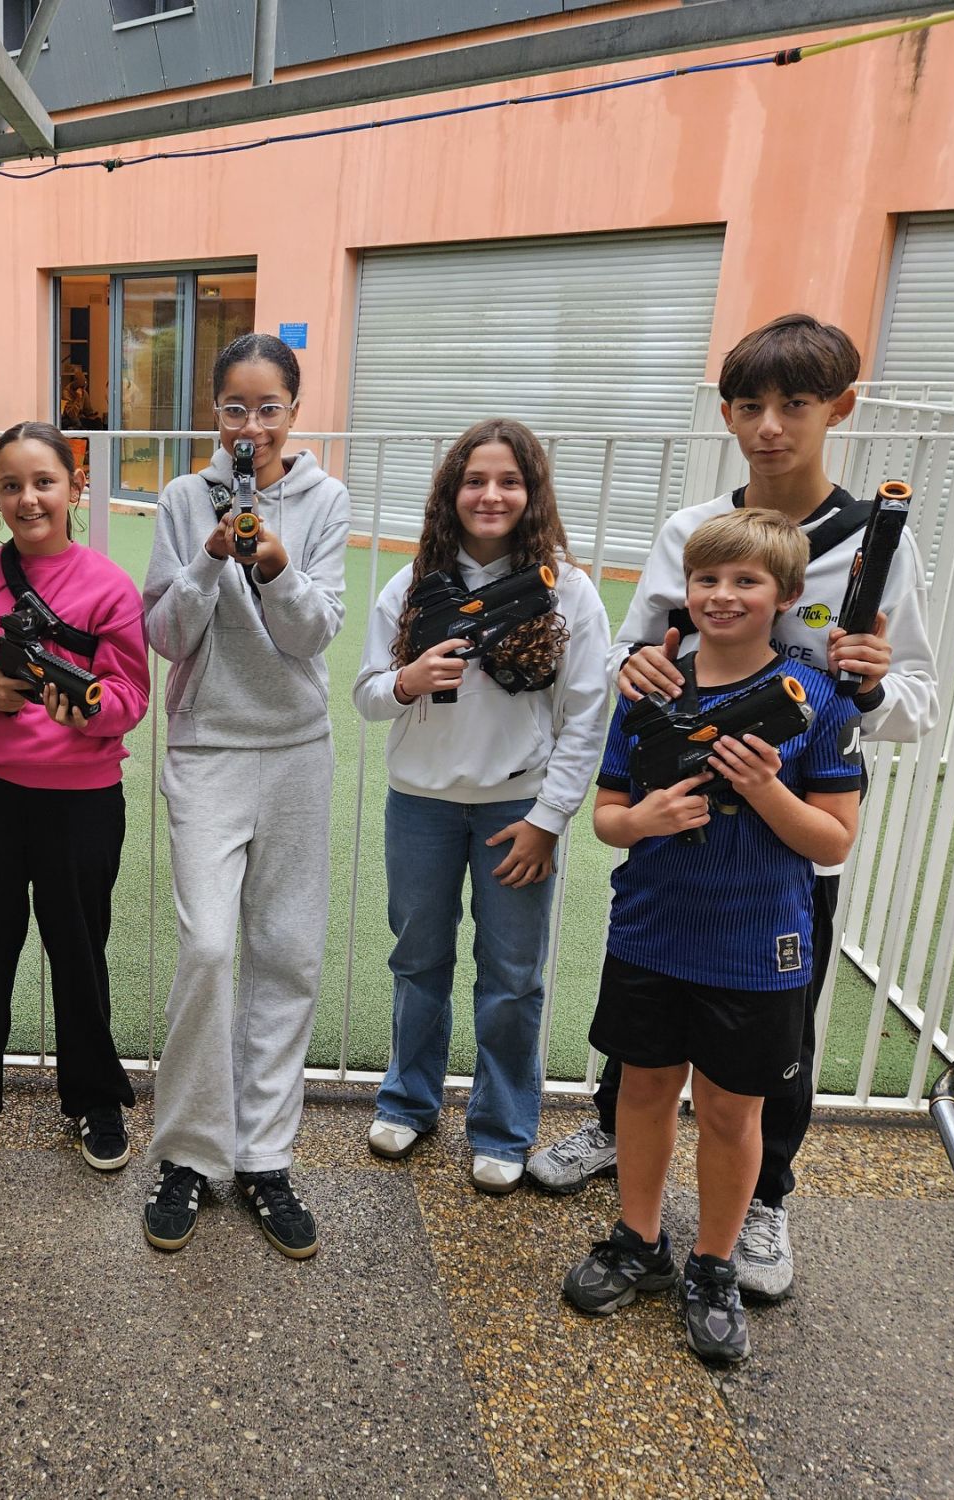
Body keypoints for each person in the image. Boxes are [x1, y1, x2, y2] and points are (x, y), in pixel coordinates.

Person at [528, 313, 938, 1302]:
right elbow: (637, 655)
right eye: (749, 406)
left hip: (783, 842)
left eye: (794, 404)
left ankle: (763, 1201)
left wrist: (870, 684)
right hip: (675, 827)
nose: (770, 426)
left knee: (768, 1049)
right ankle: (620, 1141)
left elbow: (915, 703)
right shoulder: (690, 532)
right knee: (645, 1026)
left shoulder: (877, 546)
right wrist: (637, 672)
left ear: (837, 408)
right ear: (726, 415)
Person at [562, 509, 863, 1364]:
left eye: (746, 581)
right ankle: (639, 1242)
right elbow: (608, 816)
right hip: (652, 931)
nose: (723, 596)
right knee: (642, 1091)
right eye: (707, 580)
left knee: (733, 1111)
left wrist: (765, 790)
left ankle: (714, 1265)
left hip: (758, 945)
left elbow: (834, 841)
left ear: (787, 596)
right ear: (685, 591)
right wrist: (645, 818)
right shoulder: (650, 689)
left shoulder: (819, 699)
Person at [353, 419, 609, 1194]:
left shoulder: (566, 589)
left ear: (532, 492)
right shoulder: (412, 586)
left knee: (513, 975)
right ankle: (408, 1100)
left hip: (516, 811)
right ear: (450, 492)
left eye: (508, 481)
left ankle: (501, 1128)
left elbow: (586, 716)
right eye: (474, 480)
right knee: (418, 960)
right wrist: (406, 682)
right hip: (421, 806)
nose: (490, 495)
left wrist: (548, 820)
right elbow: (367, 694)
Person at [138, 332, 351, 1258]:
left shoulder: (326, 499)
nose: (250, 427)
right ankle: (190, 1153)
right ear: (214, 412)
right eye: (234, 407)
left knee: (287, 952)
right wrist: (209, 559)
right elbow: (164, 635)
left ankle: (265, 1157)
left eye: (269, 409)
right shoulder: (183, 499)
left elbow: (314, 634)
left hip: (296, 747)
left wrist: (273, 564)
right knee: (209, 948)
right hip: (209, 746)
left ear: (294, 412)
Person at [0, 421, 150, 1168]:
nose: (28, 498)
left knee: (79, 950)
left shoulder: (108, 585)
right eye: (11, 485)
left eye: (44, 481)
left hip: (81, 798)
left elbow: (132, 695)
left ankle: (96, 1097)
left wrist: (89, 711)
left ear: (76, 487)